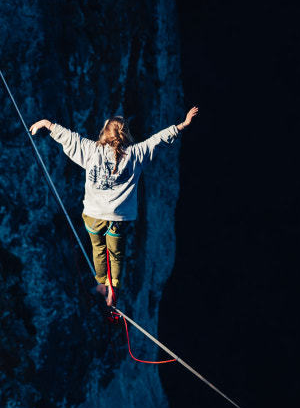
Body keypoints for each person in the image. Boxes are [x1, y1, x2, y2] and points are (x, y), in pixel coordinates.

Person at [30, 107, 198, 308]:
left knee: (98, 249)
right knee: (116, 255)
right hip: (119, 218)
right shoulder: (135, 154)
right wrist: (182, 125)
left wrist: (46, 123)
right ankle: (113, 289)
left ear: (104, 133)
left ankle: (102, 284)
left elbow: (70, 138)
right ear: (125, 134)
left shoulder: (91, 150)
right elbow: (158, 140)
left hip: (93, 215)